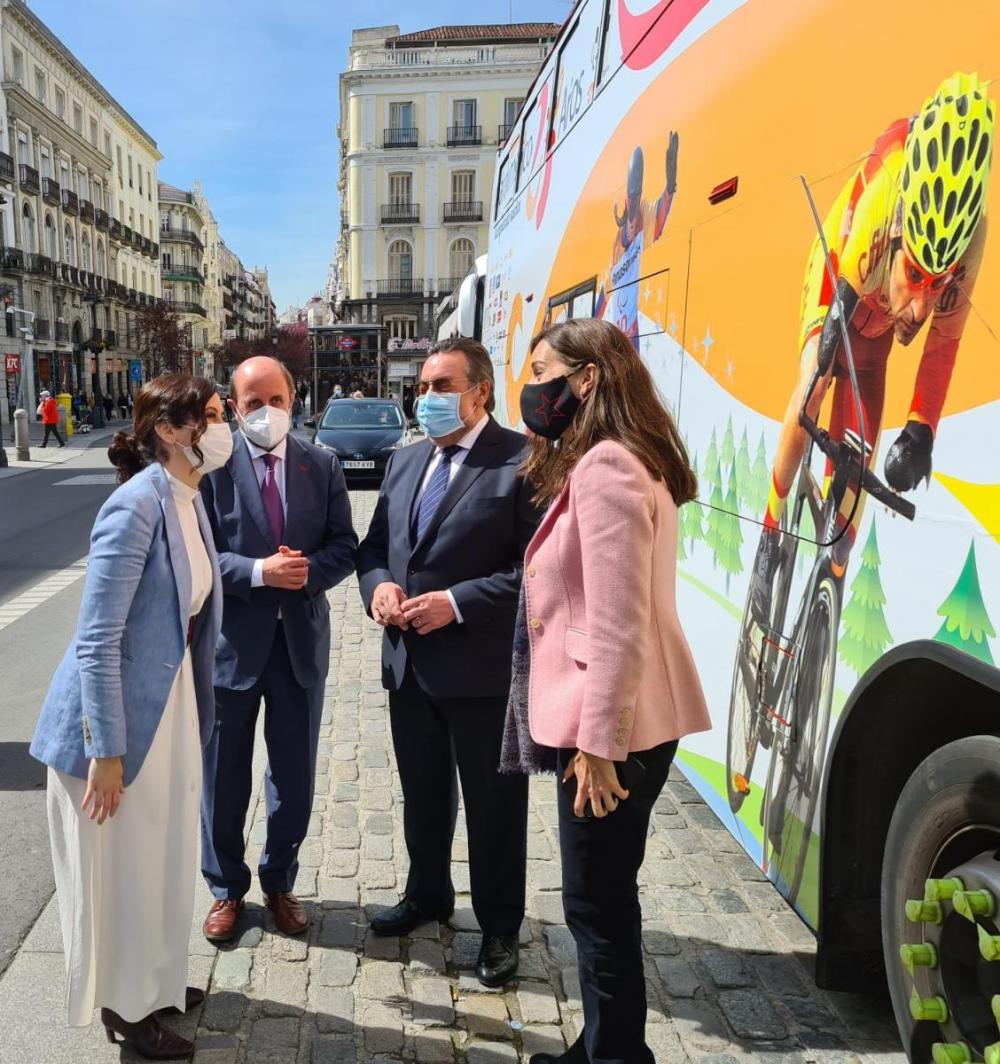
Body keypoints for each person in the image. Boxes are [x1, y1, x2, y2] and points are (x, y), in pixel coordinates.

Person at [512, 318, 710, 1064]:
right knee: (603, 899)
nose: (531, 388)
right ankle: (601, 1043)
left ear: (586, 377)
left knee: (596, 908)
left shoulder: (607, 467)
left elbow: (618, 623)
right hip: (632, 721)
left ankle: (617, 1055)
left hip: (615, 729)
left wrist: (598, 746)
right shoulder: (633, 458)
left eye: (541, 371)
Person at [29, 374, 228, 1059]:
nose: (223, 428)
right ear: (172, 431)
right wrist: (105, 751)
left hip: (166, 705)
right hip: (113, 723)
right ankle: (125, 1009)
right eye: (211, 416)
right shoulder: (136, 504)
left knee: (163, 855)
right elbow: (97, 639)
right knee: (121, 870)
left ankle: (158, 980)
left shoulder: (190, 498)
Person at [749, 71, 994, 624]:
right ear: (904, 233)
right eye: (917, 274)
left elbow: (942, 345)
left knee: (859, 451)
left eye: (941, 284)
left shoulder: (972, 235)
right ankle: (770, 532)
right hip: (840, 283)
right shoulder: (885, 191)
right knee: (814, 384)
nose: (922, 308)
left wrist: (921, 429)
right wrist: (827, 352)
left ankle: (832, 576)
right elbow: (840, 310)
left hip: (875, 331)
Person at [357, 337, 540, 987]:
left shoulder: (521, 461)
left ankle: (498, 929)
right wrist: (378, 585)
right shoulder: (406, 462)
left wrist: (458, 603)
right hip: (409, 667)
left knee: (495, 808)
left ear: (479, 391)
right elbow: (375, 546)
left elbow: (536, 572)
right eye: (423, 388)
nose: (426, 398)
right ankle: (426, 892)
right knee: (423, 796)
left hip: (485, 675)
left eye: (440, 386)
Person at [199, 356, 357, 942]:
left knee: (293, 776)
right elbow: (200, 556)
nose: (266, 413)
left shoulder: (322, 463)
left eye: (276, 400)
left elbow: (346, 544)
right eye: (252, 403)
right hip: (230, 649)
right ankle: (225, 887)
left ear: (295, 398)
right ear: (234, 407)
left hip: (297, 648)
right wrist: (260, 572)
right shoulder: (211, 469)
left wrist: (309, 571)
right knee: (223, 777)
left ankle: (279, 879)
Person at [594, 132, 679, 347]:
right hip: (617, 334)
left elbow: (659, 218)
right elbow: (605, 290)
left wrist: (670, 187)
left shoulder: (644, 214)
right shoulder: (616, 245)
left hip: (631, 333)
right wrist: (590, 326)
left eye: (637, 198)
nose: (632, 221)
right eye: (631, 201)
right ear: (626, 201)